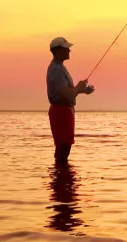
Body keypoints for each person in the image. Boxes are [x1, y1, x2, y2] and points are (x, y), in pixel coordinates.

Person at [46, 36, 94, 165]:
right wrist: (79, 87)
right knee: (63, 146)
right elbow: (66, 93)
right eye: (66, 48)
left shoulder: (61, 68)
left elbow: (70, 93)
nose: (69, 51)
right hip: (60, 111)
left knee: (65, 146)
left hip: (66, 110)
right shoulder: (55, 69)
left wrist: (83, 90)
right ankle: (60, 176)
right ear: (56, 51)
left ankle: (61, 176)